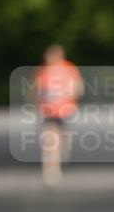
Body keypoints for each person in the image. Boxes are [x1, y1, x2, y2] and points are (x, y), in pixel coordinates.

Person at [34, 44, 83, 186]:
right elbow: (36, 90)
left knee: (61, 137)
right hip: (48, 111)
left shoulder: (69, 68)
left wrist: (69, 98)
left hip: (65, 110)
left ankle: (61, 155)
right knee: (50, 139)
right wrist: (37, 105)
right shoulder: (43, 70)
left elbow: (78, 87)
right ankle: (51, 169)